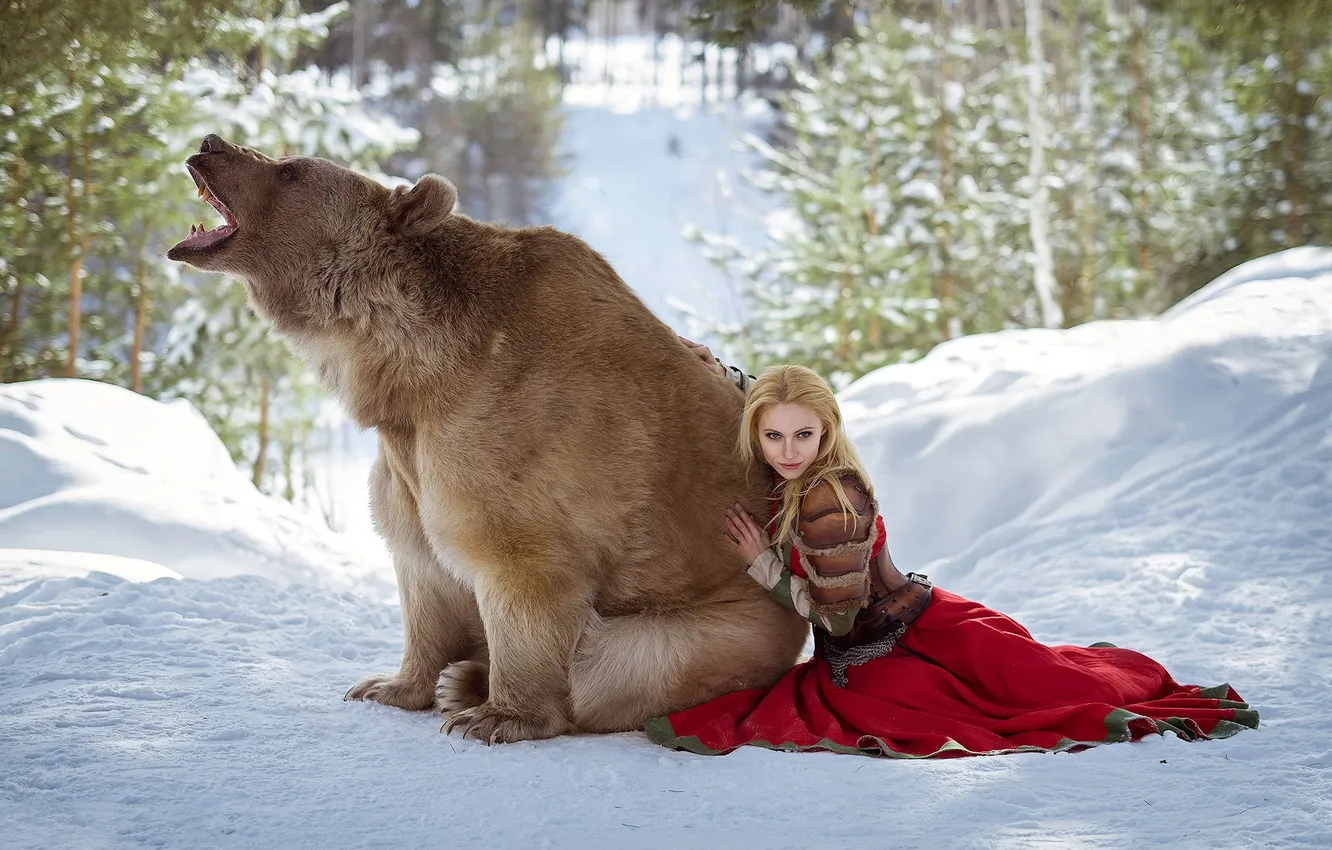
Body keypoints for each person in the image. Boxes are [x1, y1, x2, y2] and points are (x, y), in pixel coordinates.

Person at [646, 359, 1259, 758]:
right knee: (1052, 677)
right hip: (925, 622)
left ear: (827, 431)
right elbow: (780, 403)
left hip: (891, 654)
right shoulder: (802, 468)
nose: (785, 450)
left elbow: (833, 620)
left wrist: (762, 564)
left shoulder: (827, 503)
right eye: (772, 436)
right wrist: (723, 372)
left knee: (1053, 701)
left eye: (802, 435)